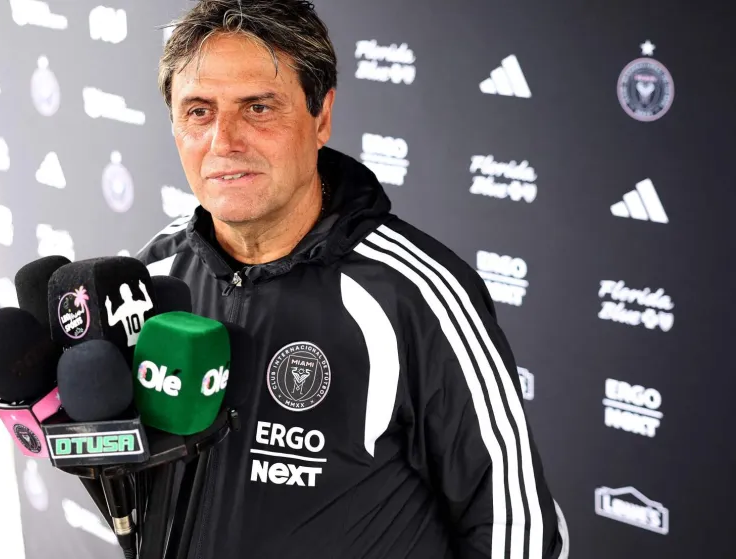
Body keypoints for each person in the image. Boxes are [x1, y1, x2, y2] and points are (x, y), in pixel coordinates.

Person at [137, 1, 568, 557]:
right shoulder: (151, 276)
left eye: (259, 107)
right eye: (198, 111)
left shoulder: (414, 292)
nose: (224, 140)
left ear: (321, 118)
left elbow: (520, 534)